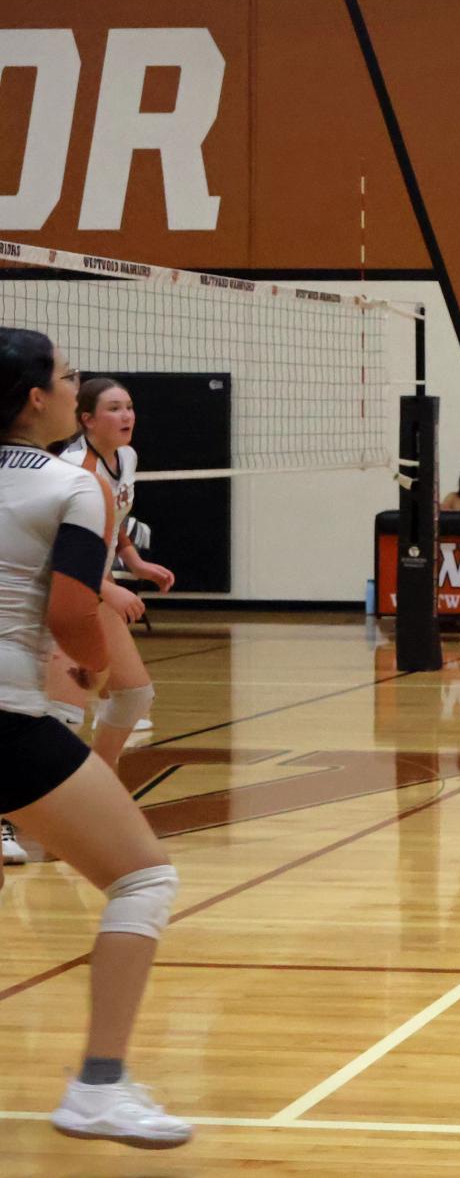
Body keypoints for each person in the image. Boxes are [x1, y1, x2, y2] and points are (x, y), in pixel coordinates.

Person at [0, 328, 193, 1146]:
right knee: (143, 880)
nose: (80, 389)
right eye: (69, 377)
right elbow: (74, 612)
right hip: (6, 716)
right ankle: (98, 1088)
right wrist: (88, 669)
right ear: (38, 399)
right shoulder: (74, 484)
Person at [40, 378, 175, 769]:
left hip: (93, 586)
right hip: (60, 591)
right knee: (61, 716)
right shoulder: (72, 470)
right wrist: (105, 588)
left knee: (134, 695)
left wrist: (133, 561)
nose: (126, 415)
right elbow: (48, 550)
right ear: (87, 419)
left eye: (129, 406)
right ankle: (28, 815)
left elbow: (111, 516)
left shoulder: (126, 457)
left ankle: (99, 778)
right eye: (114, 408)